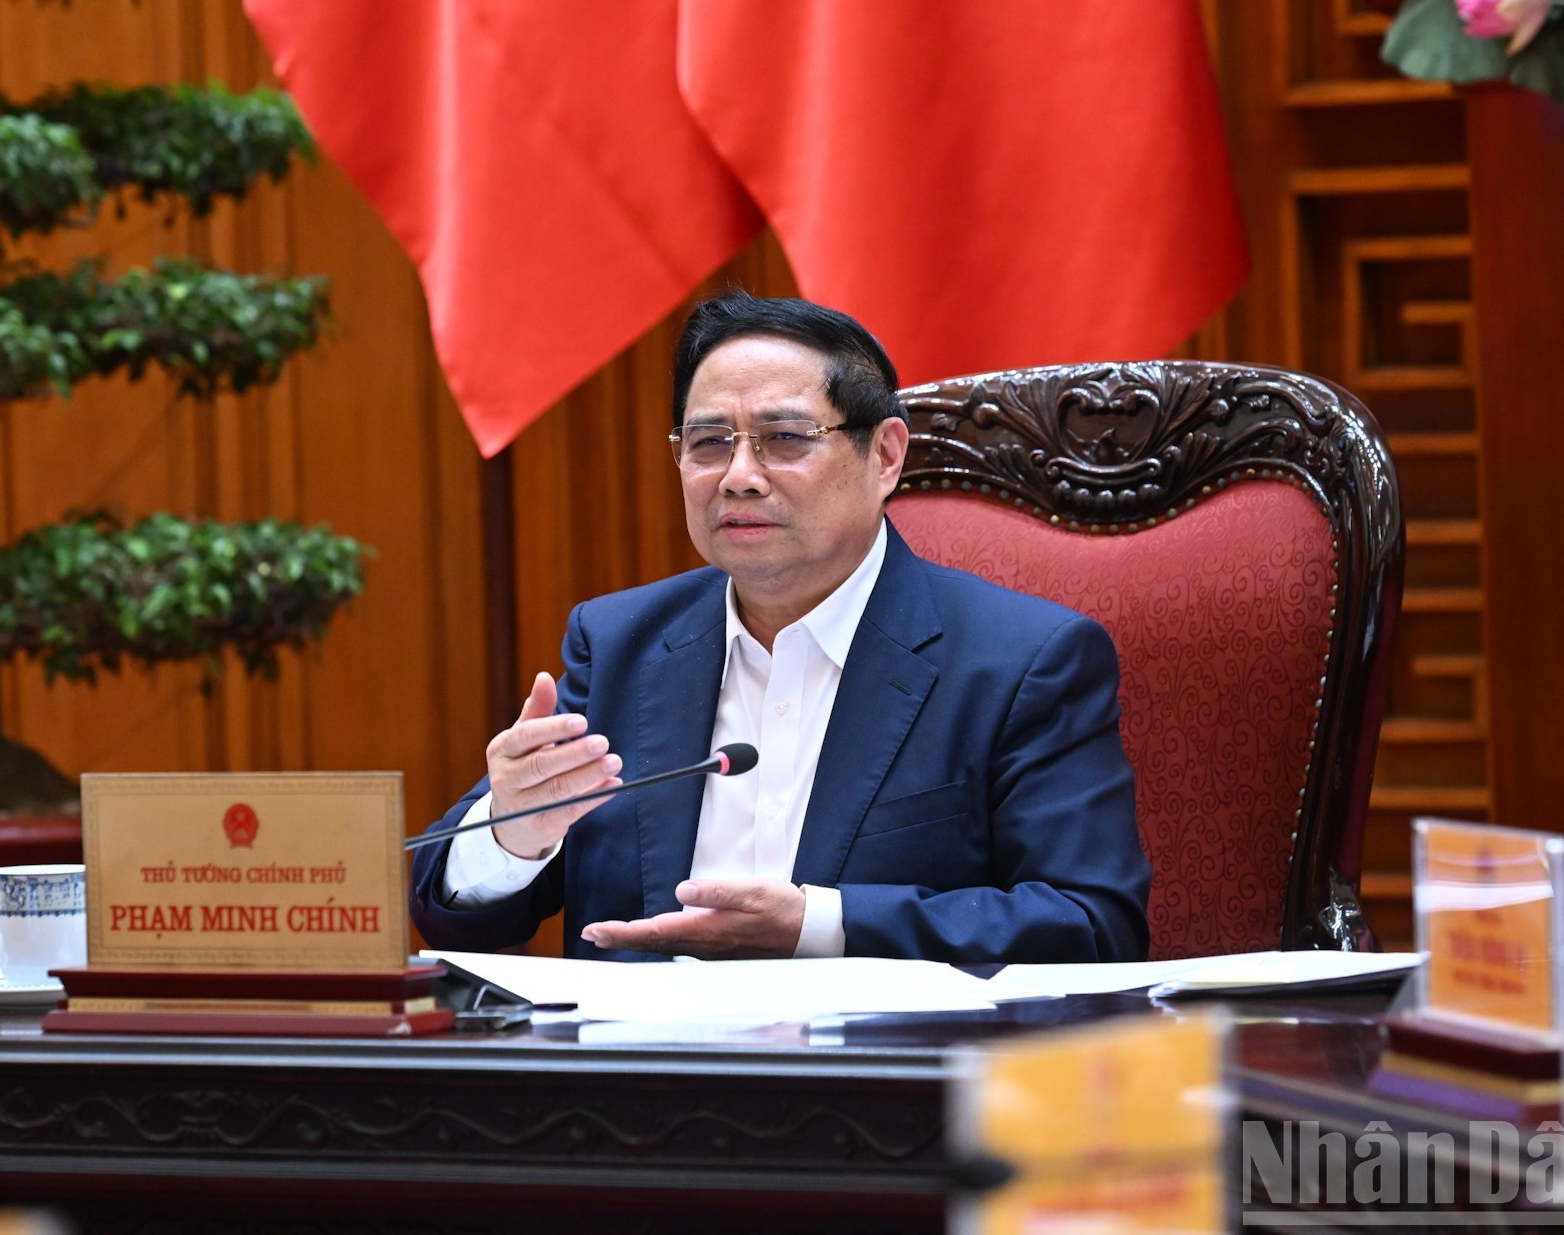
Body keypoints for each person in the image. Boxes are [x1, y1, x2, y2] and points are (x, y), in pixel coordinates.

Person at [410, 294, 1151, 962]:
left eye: (784, 438)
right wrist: (512, 832)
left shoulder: (1023, 661)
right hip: (633, 1086)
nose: (737, 475)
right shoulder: (619, 644)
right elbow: (453, 920)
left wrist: (817, 924)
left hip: (881, 1090)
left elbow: (1090, 924)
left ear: (885, 455)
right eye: (707, 444)